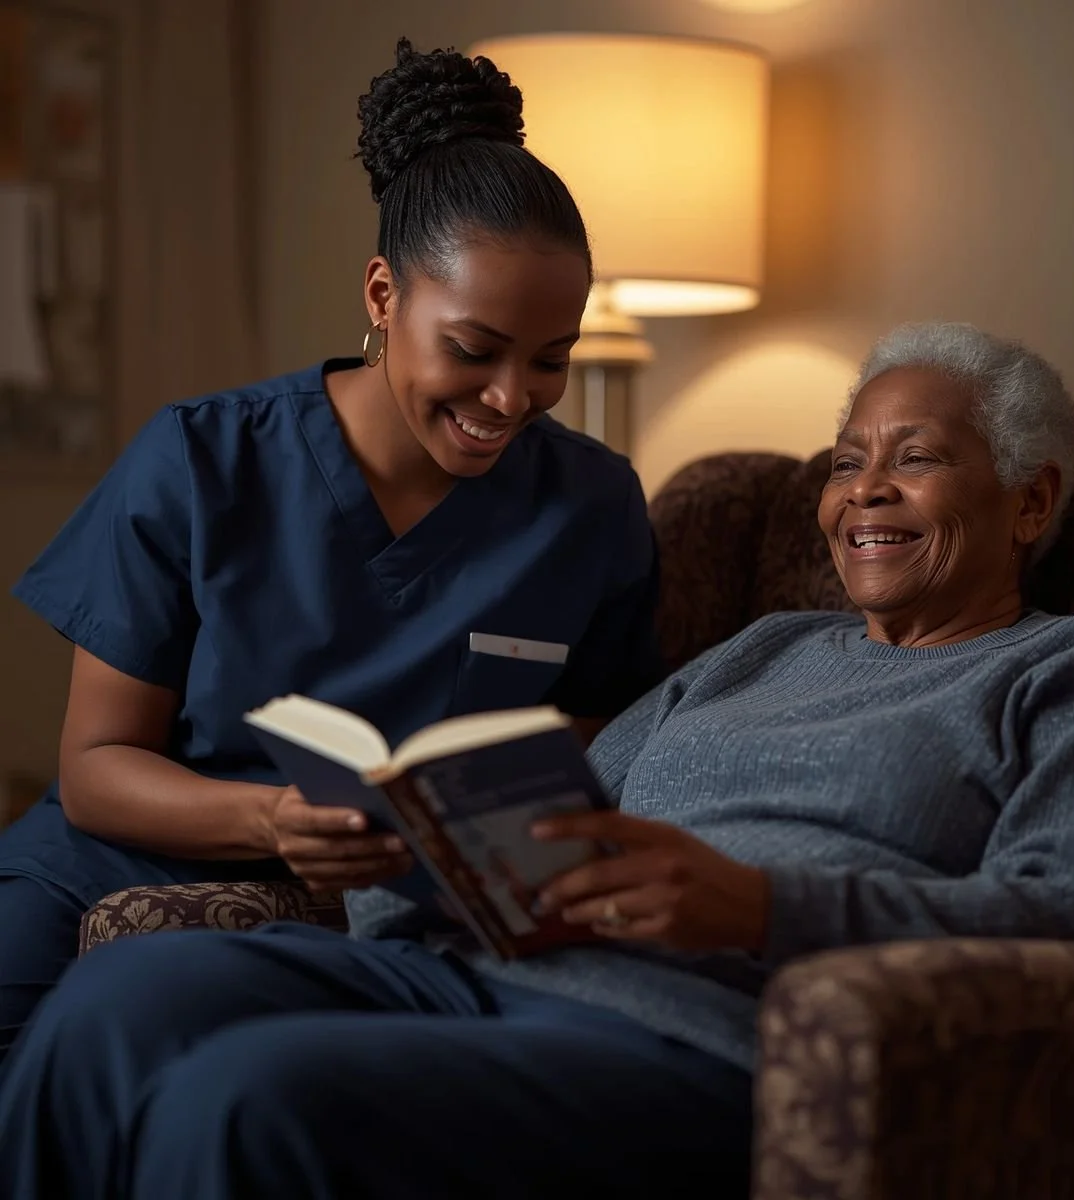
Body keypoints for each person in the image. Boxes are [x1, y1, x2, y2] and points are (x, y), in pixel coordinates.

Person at [0, 323, 1074, 1200]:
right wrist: (416, 835)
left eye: (912, 459)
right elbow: (577, 794)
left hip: (705, 1034)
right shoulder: (766, 646)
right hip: (489, 969)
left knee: (244, 1098)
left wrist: (758, 905)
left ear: (1031, 503)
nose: (861, 491)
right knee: (123, 1000)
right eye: (843, 460)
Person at [0, 39, 662, 1074]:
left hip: (410, 904)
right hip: (114, 862)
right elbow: (94, 772)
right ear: (384, 297)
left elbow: (593, 746)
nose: (510, 399)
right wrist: (271, 818)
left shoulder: (592, 505)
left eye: (551, 360)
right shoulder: (203, 458)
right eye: (473, 350)